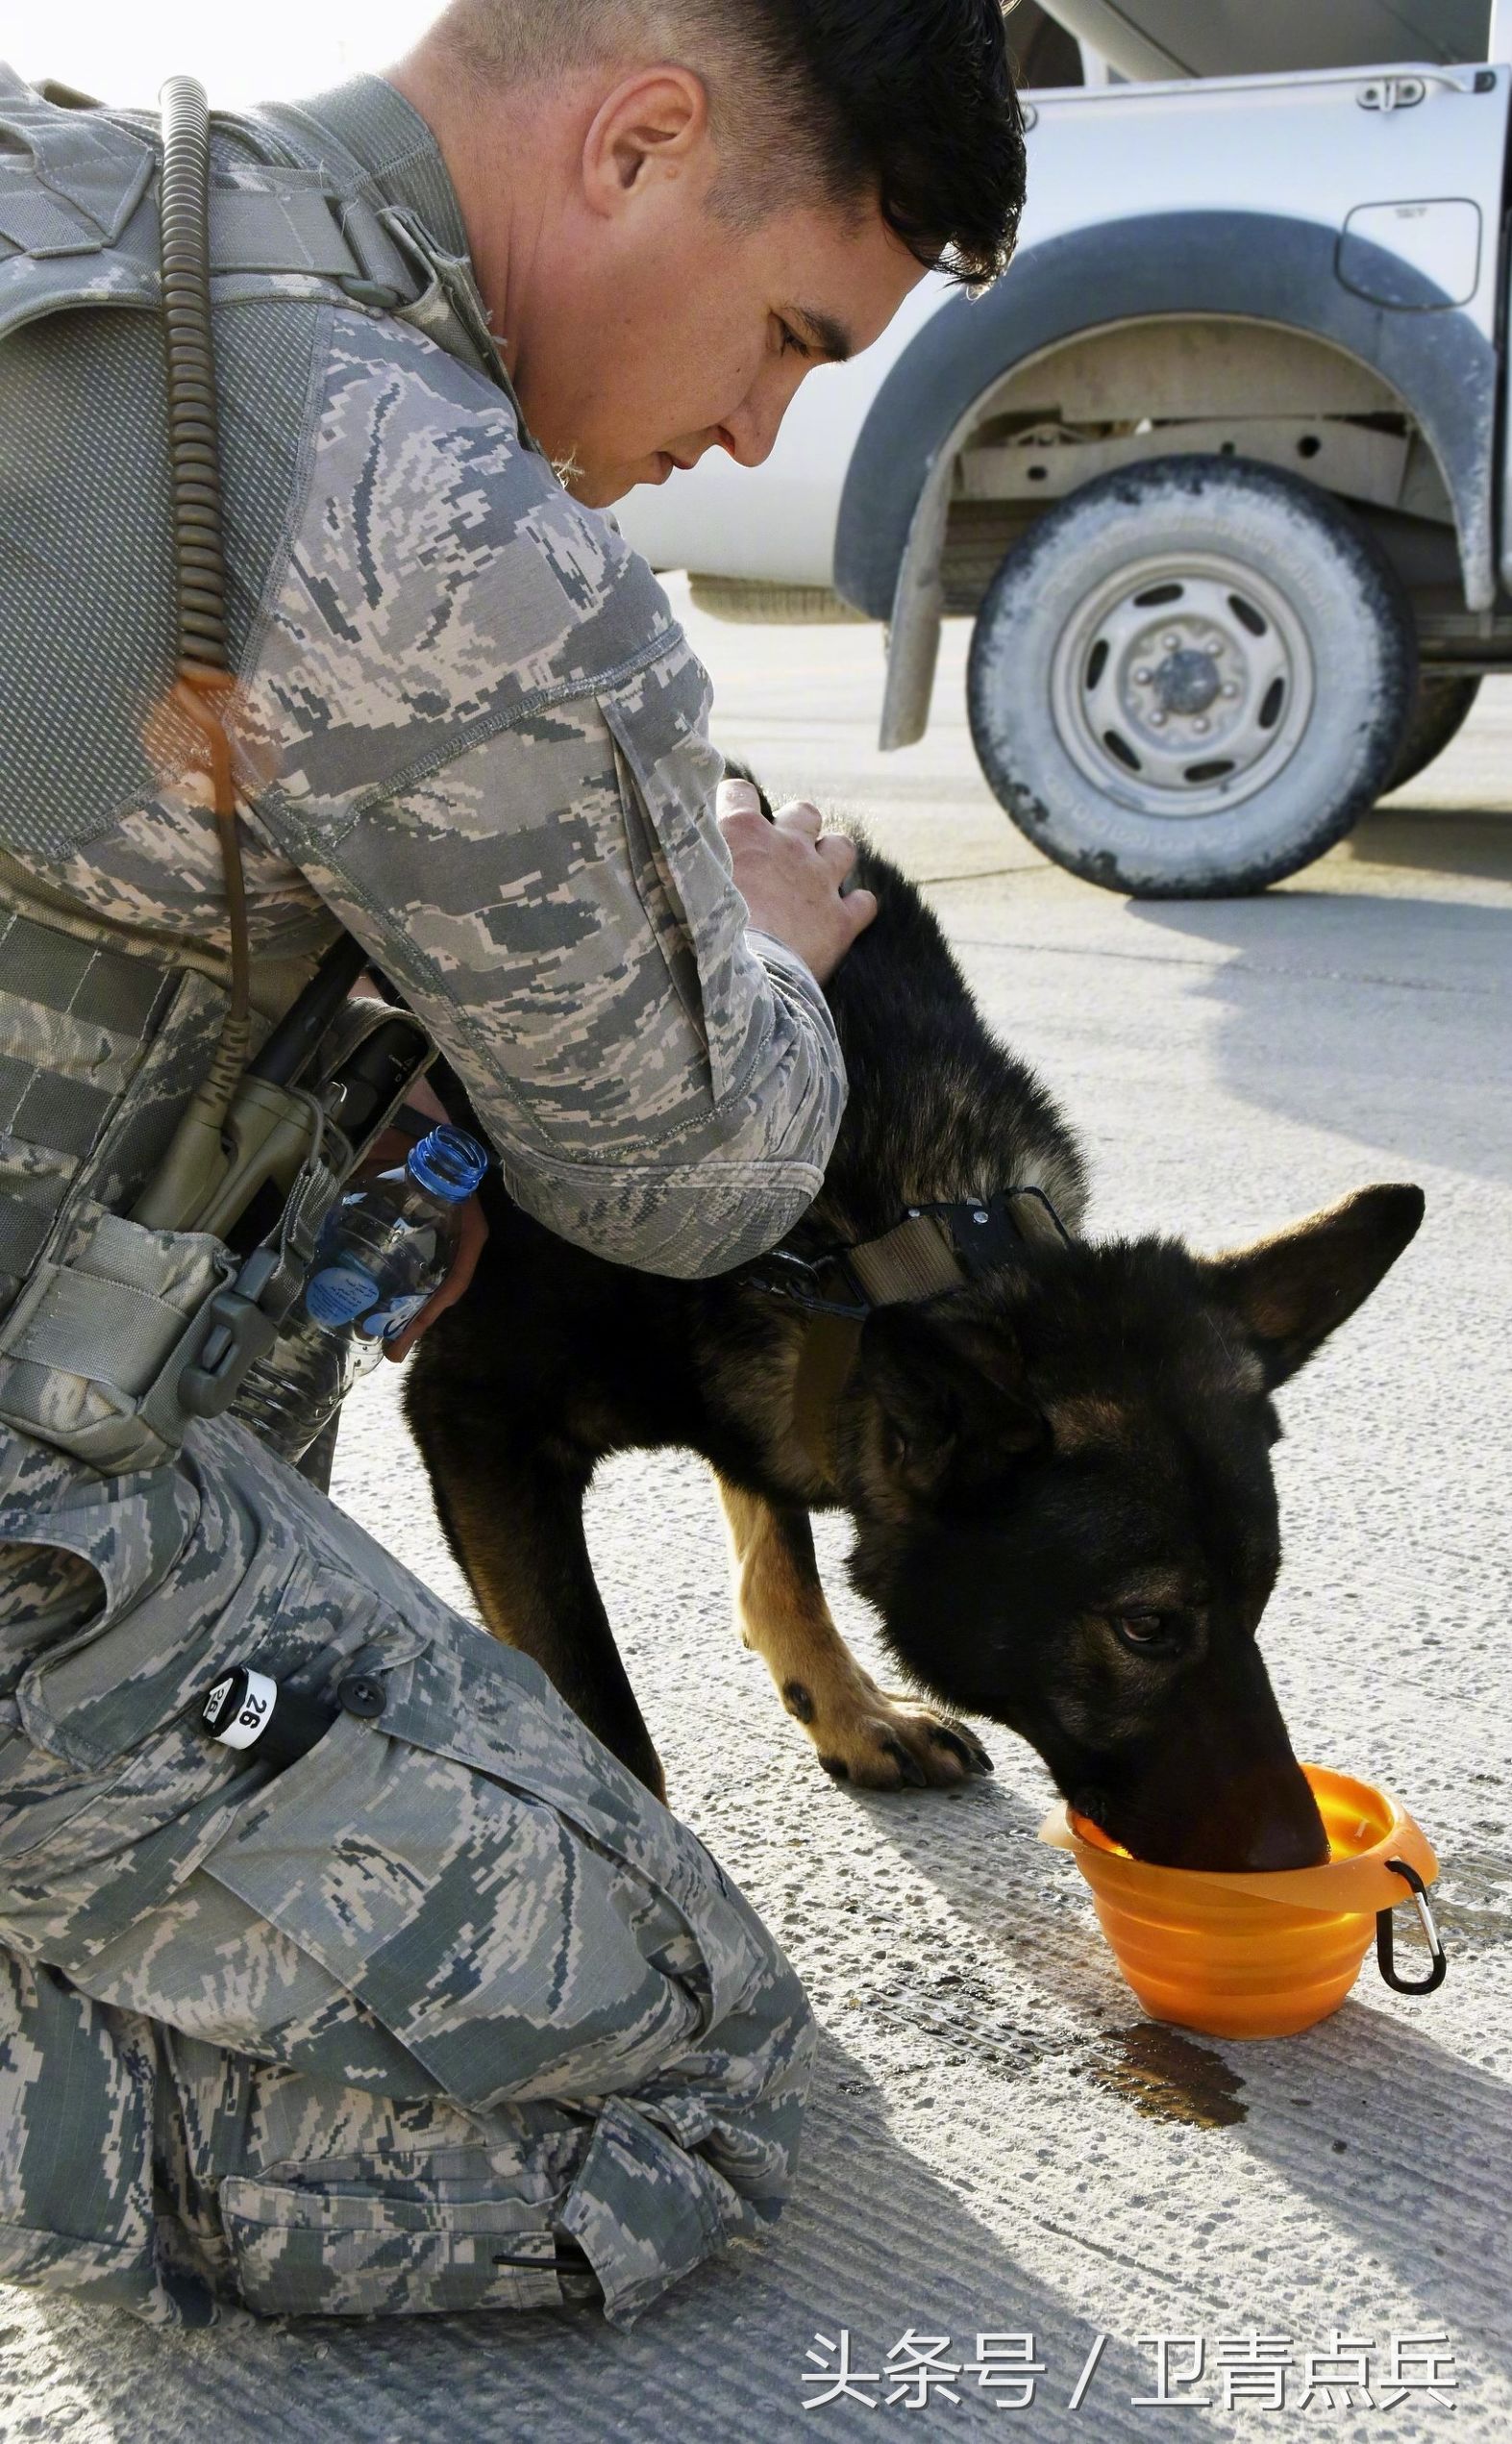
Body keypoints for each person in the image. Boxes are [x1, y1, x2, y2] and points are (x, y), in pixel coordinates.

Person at [0, 1, 1024, 2330]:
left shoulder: (65, 203)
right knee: (695, 2083)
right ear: (643, 139)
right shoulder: (437, 515)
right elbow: (701, 1174)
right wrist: (752, 939)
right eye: (784, 335)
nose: (758, 425)